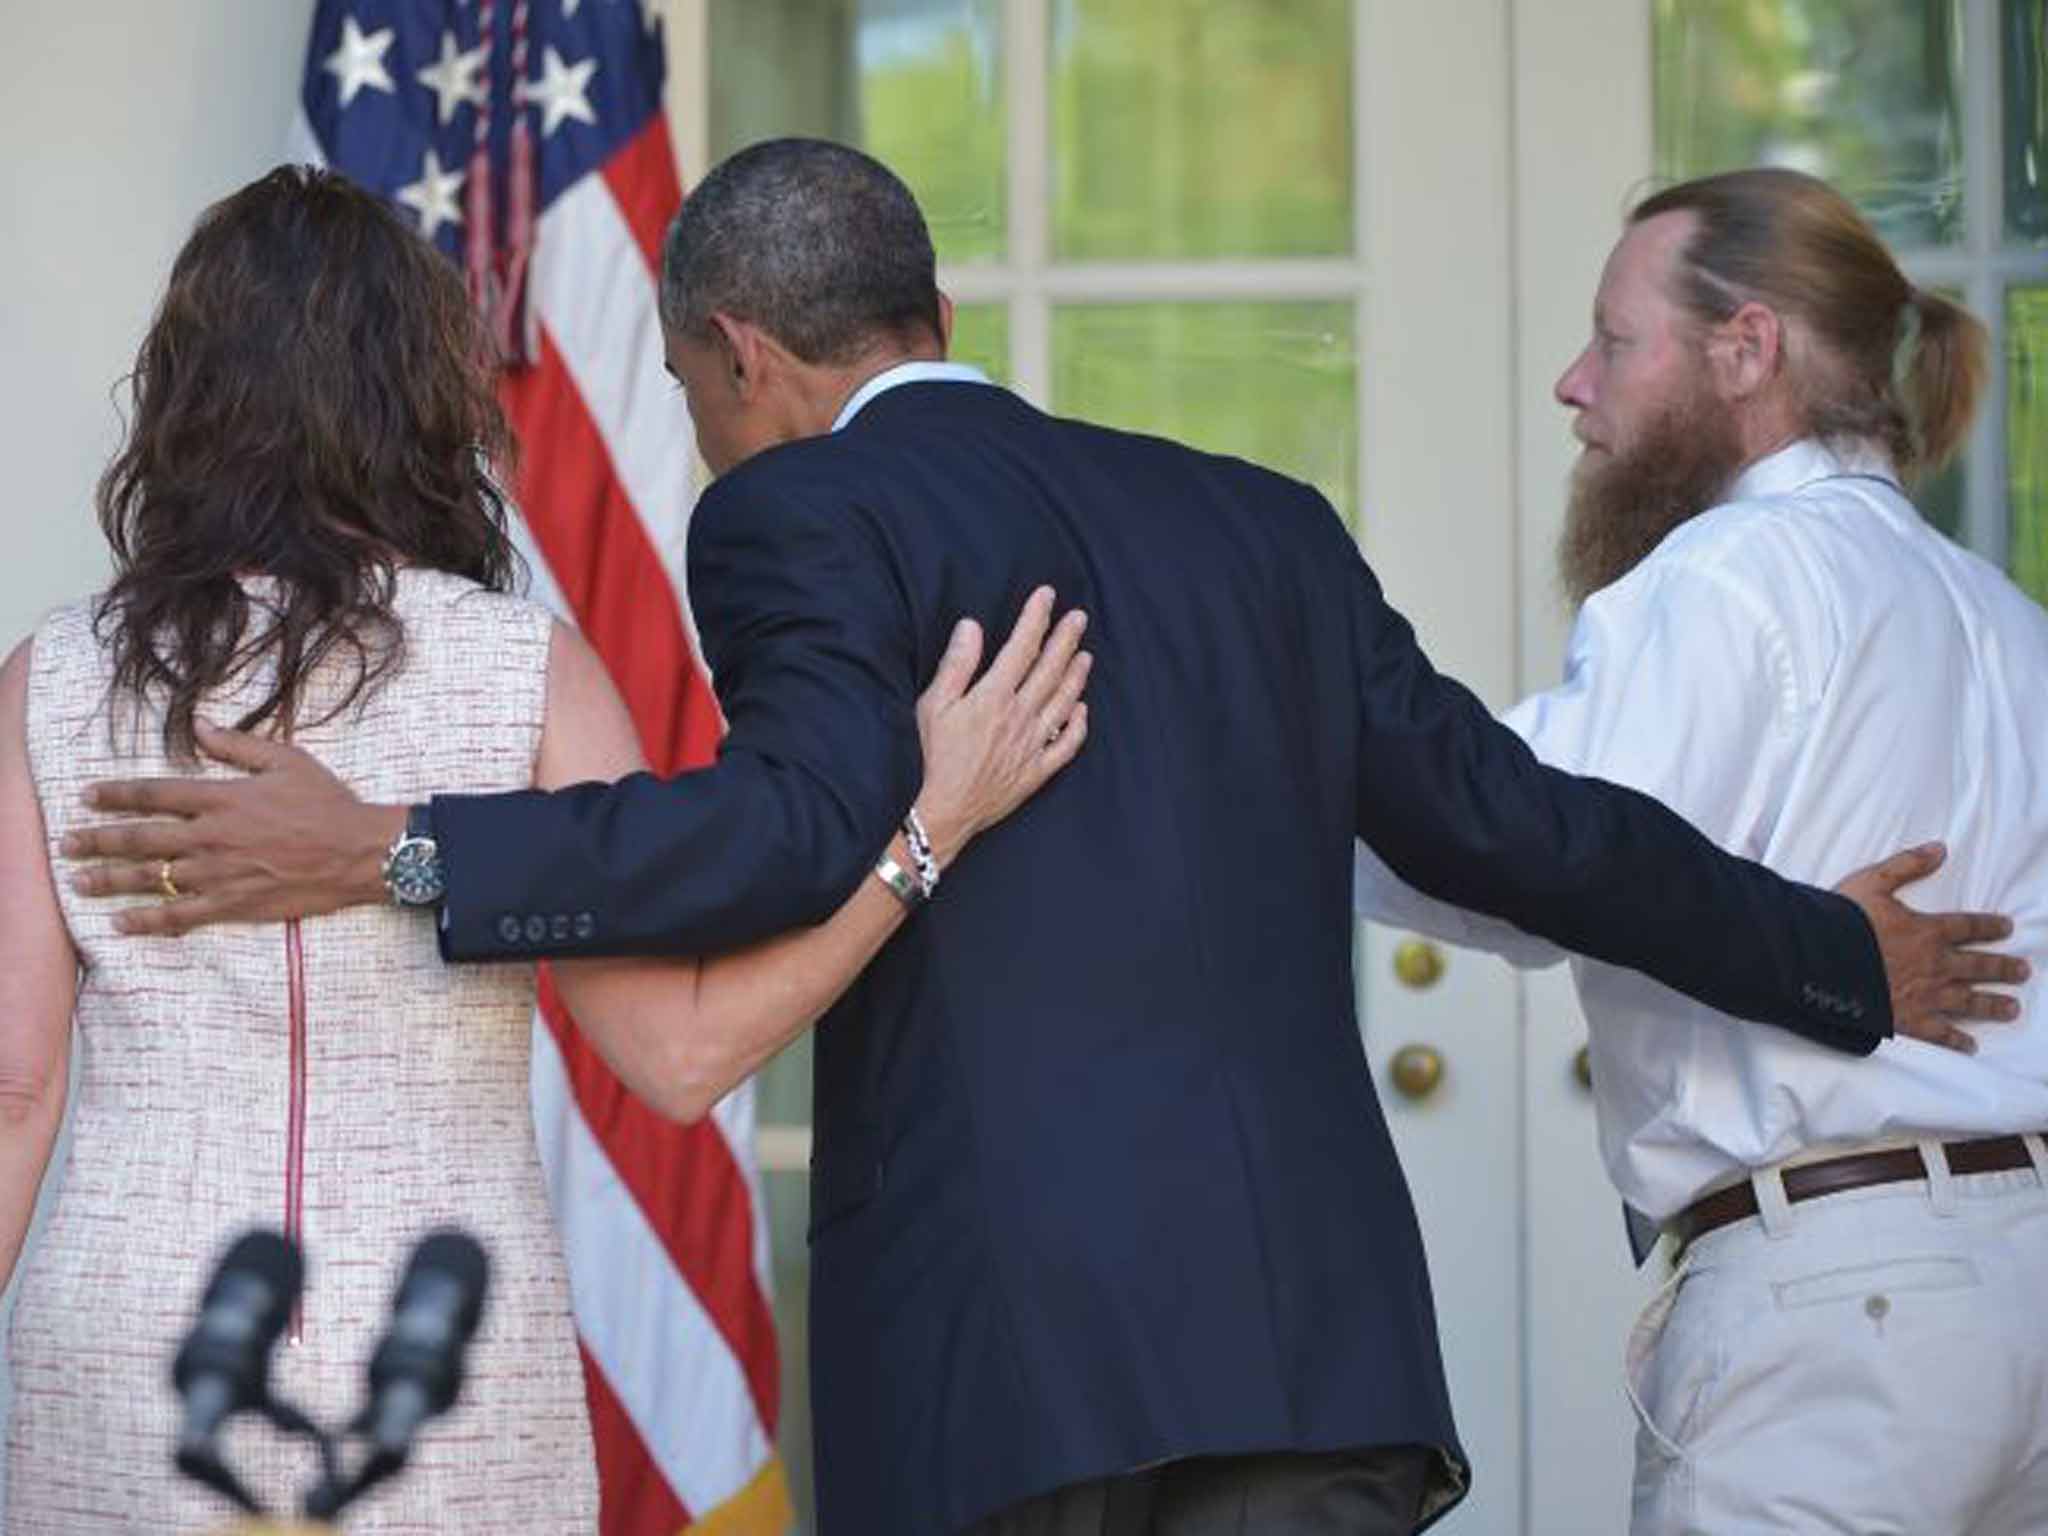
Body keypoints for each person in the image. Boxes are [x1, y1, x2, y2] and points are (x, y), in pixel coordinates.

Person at [65, 143, 2020, 1536]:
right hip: (1305, 1360)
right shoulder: (1258, 521)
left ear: (745, 353)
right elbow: (1521, 828)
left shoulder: (803, 514)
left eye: (683, 390)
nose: (700, 435)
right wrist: (1820, 947)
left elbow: (783, 833)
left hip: (1006, 1369)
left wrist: (404, 847)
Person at [0, 165, 1086, 1533]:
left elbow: (12, 1092)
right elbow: (680, 1060)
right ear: (423, 394)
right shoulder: (525, 675)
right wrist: (924, 836)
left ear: (187, 397)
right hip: (443, 1355)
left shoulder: (50, 683)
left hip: (136, 1350)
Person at [1355, 166, 2047, 1534]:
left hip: (1839, 1318)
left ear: (1746, 351)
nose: (1574, 382)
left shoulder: (1729, 577)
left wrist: (1255, 790)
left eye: (1616, 341)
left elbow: (1525, 848)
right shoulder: (2000, 614)